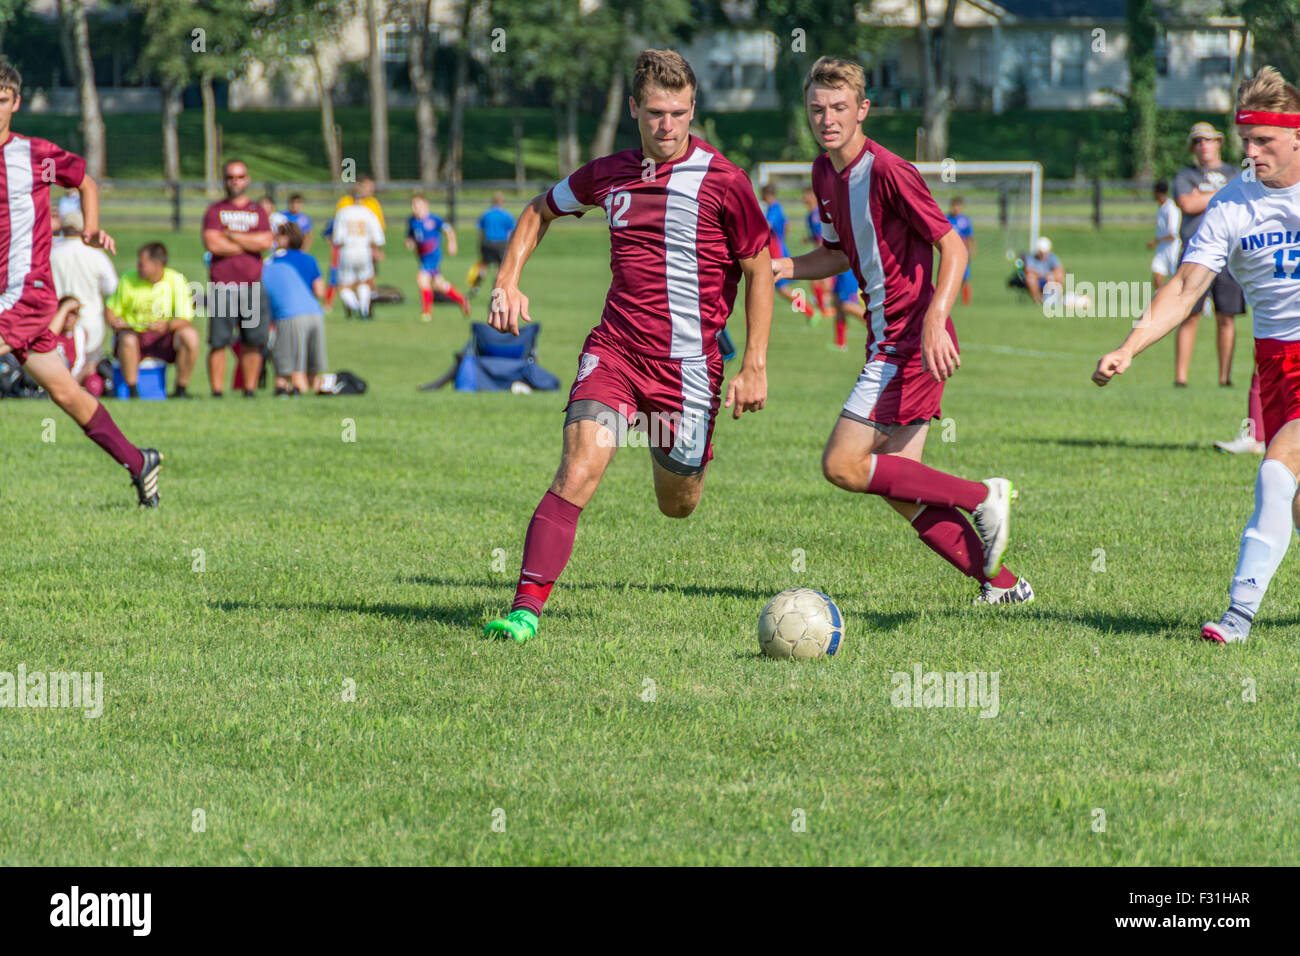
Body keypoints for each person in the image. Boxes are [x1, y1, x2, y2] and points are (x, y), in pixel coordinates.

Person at [482, 49, 774, 644]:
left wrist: (755, 363)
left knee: (678, 503)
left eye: (678, 113)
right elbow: (540, 208)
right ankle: (525, 611)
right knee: (578, 469)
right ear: (634, 110)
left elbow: (759, 266)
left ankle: (682, 457)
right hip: (615, 351)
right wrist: (506, 281)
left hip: (689, 371)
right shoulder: (609, 172)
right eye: (655, 114)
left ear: (693, 110)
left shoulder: (725, 181)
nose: (666, 126)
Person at [772, 56, 1030, 605]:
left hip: (909, 341)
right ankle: (1004, 586)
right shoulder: (823, 174)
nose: (827, 118)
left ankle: (984, 495)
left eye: (839, 107)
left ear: (862, 109)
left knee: (842, 464)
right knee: (899, 482)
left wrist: (936, 320)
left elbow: (952, 245)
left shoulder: (889, 170)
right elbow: (839, 254)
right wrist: (784, 267)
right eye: (817, 108)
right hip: (887, 338)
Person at [1094, 66, 1300, 643]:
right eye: (1246, 141)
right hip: (1276, 362)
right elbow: (1186, 287)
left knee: (1276, 470)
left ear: (1296, 135)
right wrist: (1130, 346)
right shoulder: (1232, 204)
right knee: (1296, 498)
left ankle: (1238, 616)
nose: (1251, 152)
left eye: (1264, 141)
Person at [0, 58, 162, 506]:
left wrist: (90, 228)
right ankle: (138, 460)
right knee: (66, 392)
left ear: (15, 101)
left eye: (1, 100)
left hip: (25, 294)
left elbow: (85, 181)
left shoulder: (34, 156)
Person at [1173, 122, 1247, 387]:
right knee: (1188, 314)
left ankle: (1225, 377)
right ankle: (1181, 377)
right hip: (1195, 252)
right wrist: (1224, 193)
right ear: (1193, 147)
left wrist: (1204, 195)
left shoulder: (1234, 172)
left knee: (1226, 317)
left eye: (1208, 139)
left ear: (1219, 142)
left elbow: (1243, 204)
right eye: (1198, 141)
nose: (1204, 145)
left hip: (1230, 253)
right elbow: (1188, 203)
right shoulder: (1185, 175)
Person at [202, 158, 273, 397]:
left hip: (252, 285)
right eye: (231, 177)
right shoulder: (215, 211)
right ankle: (217, 391)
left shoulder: (257, 211)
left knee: (253, 340)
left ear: (247, 179)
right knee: (219, 341)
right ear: (224, 180)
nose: (236, 181)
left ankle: (249, 389)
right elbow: (213, 244)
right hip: (223, 285)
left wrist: (232, 236)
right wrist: (249, 244)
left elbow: (266, 241)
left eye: (240, 176)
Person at [104, 242, 200, 399]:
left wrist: (167, 325)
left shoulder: (175, 280)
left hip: (163, 336)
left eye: (142, 264)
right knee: (127, 338)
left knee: (190, 336)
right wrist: (115, 322)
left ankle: (180, 390)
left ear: (157, 265)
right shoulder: (128, 278)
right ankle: (133, 391)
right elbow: (110, 309)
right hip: (135, 335)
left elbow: (185, 318)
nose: (138, 267)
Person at [50, 207, 118, 388]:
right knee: (88, 370)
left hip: (57, 322)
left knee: (59, 366)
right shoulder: (96, 255)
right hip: (90, 321)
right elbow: (111, 287)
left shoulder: (52, 254)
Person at [263, 222, 327, 395]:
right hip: (315, 313)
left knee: (292, 370)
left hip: (290, 315)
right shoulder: (309, 259)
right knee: (312, 371)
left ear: (285, 239)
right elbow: (320, 291)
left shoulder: (273, 261)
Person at [406, 193, 469, 320]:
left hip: (433, 256)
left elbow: (448, 229)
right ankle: (461, 299)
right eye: (413, 205)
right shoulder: (412, 221)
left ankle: (426, 313)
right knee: (438, 285)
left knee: (422, 279)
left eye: (417, 205)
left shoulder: (434, 219)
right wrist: (410, 242)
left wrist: (452, 243)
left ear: (425, 205)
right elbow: (410, 236)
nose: (415, 208)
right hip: (422, 257)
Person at [762, 183, 816, 322]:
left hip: (777, 252)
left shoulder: (774, 208)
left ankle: (811, 312)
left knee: (781, 287)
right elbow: (787, 225)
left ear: (766, 195)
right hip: (777, 249)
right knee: (774, 286)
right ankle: (811, 312)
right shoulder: (775, 207)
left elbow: (767, 226)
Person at [332, 190, 385, 320]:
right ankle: (364, 309)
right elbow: (378, 237)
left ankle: (355, 306)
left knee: (344, 286)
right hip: (364, 250)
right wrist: (376, 250)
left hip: (348, 250)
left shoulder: (343, 213)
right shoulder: (368, 213)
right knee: (365, 281)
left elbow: (337, 238)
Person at [468, 191, 515, 296]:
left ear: (493, 202)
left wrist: (481, 244)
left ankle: (476, 287)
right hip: (501, 244)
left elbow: (480, 230)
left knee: (483, 266)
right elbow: (510, 232)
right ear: (503, 202)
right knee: (500, 267)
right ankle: (497, 289)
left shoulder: (486, 214)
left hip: (487, 242)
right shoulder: (507, 215)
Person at [799, 186, 834, 320]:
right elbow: (817, 235)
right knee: (817, 283)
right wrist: (808, 239)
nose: (803, 197)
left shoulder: (818, 213)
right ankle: (824, 309)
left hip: (827, 252)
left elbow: (825, 234)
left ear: (813, 196)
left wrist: (822, 251)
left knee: (822, 283)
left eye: (806, 195)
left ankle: (827, 308)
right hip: (820, 251)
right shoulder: (809, 215)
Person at [1148, 180, 1181, 291]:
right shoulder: (1160, 208)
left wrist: (1156, 241)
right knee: (1157, 277)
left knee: (1177, 279)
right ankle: (1159, 302)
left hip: (1173, 248)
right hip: (1162, 248)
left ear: (1158, 192)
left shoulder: (1171, 208)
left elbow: (1173, 234)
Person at [947, 197, 975, 306]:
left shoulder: (965, 220)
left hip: (963, 252)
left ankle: (966, 301)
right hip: (950, 252)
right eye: (954, 206)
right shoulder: (946, 219)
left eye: (958, 206)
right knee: (949, 277)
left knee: (965, 277)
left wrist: (971, 250)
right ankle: (949, 300)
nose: (956, 209)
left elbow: (970, 237)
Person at [1023, 236, 1064, 306]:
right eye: (1041, 252)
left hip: (1049, 279)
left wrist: (1050, 275)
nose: (1043, 254)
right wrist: (1043, 275)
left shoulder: (1052, 257)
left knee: (1059, 276)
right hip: (1037, 280)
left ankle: (1054, 298)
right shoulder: (1030, 258)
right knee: (1030, 278)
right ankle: (1038, 300)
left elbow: (1059, 269)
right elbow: (1029, 271)